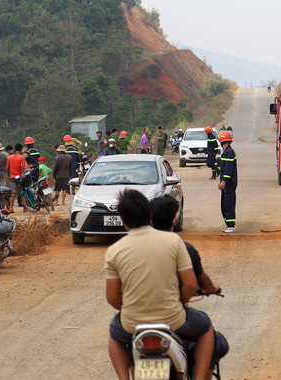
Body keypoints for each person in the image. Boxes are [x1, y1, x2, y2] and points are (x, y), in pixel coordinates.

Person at [105, 190, 215, 380]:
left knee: (114, 336)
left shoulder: (114, 250)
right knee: (206, 328)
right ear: (150, 216)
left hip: (132, 322)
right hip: (173, 319)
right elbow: (190, 285)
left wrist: (132, 306)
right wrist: (178, 301)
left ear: (123, 220)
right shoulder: (173, 241)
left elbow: (113, 298)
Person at [150, 195, 220, 296]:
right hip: (172, 308)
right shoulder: (186, 249)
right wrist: (213, 288)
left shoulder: (135, 247)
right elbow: (198, 284)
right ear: (175, 222)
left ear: (150, 221)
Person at [218, 131, 237, 233]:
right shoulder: (226, 151)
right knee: (224, 204)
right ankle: (228, 224)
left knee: (229, 203)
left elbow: (228, 169)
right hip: (226, 183)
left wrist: (224, 181)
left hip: (229, 183)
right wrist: (221, 180)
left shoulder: (229, 152)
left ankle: (231, 225)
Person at [7, 143, 28, 212]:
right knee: (23, 192)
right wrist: (23, 175)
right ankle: (25, 208)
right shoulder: (22, 157)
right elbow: (22, 167)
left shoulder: (10, 157)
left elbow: (8, 168)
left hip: (12, 176)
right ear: (21, 149)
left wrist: (8, 176)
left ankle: (11, 207)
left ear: (14, 149)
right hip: (20, 176)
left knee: (13, 193)